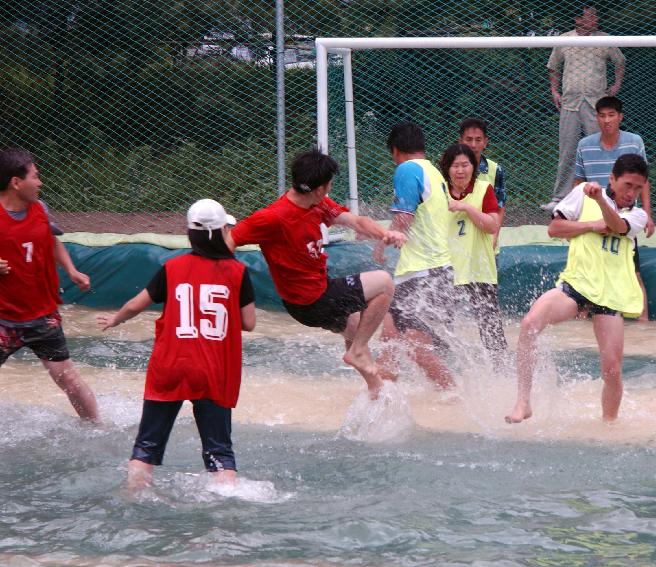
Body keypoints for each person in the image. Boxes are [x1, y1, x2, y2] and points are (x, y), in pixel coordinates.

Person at [97, 199, 256, 490]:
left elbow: (136, 304)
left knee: (145, 448)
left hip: (169, 366)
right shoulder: (238, 272)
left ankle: (132, 500)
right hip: (213, 371)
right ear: (222, 231)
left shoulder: (172, 268)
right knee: (220, 454)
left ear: (190, 234)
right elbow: (249, 323)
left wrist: (115, 320)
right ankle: (223, 512)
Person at [227, 149, 405, 399]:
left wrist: (385, 234)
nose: (330, 189)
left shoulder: (317, 203)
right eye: (330, 184)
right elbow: (230, 240)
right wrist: (225, 281)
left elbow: (356, 221)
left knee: (356, 327)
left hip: (305, 302)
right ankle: (358, 351)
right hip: (315, 299)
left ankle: (376, 391)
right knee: (384, 283)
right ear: (319, 189)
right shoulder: (273, 218)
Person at [506, 154, 649, 424]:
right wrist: (590, 224)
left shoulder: (638, 215)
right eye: (628, 185)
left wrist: (600, 203)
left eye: (638, 188)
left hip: (610, 297)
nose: (632, 193)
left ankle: (608, 425)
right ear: (612, 179)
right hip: (577, 285)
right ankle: (523, 402)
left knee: (612, 371)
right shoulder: (583, 194)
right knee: (529, 324)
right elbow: (554, 228)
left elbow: (617, 227)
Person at [0, 148, 99, 422]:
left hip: (43, 317)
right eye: (35, 176)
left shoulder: (40, 209)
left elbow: (52, 239)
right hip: (4, 321)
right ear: (15, 182)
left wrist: (71, 269)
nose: (40, 182)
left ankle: (96, 427)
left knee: (68, 380)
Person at [373, 123, 456, 390]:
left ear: (395, 150)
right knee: (389, 337)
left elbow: (404, 217)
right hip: (432, 271)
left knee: (414, 348)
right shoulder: (434, 171)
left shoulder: (407, 169)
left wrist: (381, 243)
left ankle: (455, 394)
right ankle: (383, 393)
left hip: (424, 272)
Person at [574, 96, 654, 320]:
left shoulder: (634, 141)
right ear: (597, 118)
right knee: (588, 272)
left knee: (633, 270)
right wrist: (579, 218)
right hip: (593, 216)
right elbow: (578, 182)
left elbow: (643, 180)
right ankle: (580, 322)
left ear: (620, 117)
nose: (607, 120)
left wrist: (648, 215)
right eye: (602, 115)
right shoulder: (584, 145)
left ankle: (644, 321)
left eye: (611, 115)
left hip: (624, 216)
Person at [542, 6, 626, 212]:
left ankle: (607, 196)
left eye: (596, 15)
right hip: (570, 103)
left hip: (597, 104)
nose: (595, 19)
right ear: (578, 19)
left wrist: (616, 85)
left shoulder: (604, 39)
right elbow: (553, 66)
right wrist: (554, 90)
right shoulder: (565, 39)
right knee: (567, 150)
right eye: (591, 15)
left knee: (599, 149)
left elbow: (620, 62)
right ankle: (560, 197)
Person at [440, 143, 508, 365]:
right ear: (447, 169)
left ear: (474, 167)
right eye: (455, 166)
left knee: (490, 328)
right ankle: (440, 373)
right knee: (439, 322)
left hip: (479, 268)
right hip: (447, 268)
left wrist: (467, 208)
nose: (460, 171)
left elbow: (492, 225)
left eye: (465, 165)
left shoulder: (483, 189)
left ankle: (501, 372)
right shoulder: (439, 191)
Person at [458, 118, 507, 246]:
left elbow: (500, 207)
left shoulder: (495, 170)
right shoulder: (449, 168)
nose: (473, 145)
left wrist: (494, 237)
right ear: (460, 142)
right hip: (456, 242)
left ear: (485, 142)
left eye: (478, 140)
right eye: (468, 139)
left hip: (486, 241)